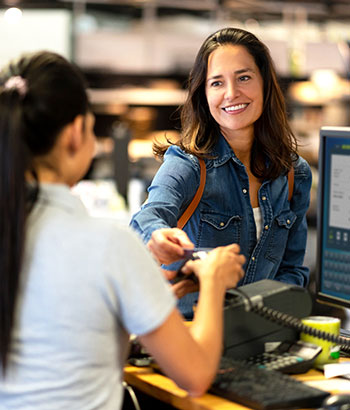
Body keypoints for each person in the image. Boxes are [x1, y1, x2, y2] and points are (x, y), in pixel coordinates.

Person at [0, 51, 245, 409]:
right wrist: (212, 282)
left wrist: (144, 301)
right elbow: (196, 375)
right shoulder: (108, 244)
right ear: (75, 133)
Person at [130, 27, 312, 319]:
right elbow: (148, 217)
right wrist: (158, 237)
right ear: (204, 93)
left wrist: (266, 318)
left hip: (260, 338)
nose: (231, 93)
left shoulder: (295, 175)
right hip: (191, 335)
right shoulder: (188, 164)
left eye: (243, 77)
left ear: (265, 83)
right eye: (217, 83)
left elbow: (292, 271)